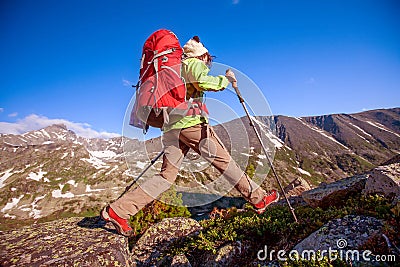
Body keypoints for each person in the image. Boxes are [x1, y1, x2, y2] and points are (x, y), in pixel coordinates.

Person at [101, 36, 279, 237]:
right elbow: (202, 81)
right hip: (192, 126)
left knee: (165, 177)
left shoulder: (174, 68)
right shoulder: (193, 63)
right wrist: (226, 80)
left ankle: (118, 210)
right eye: (207, 58)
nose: (208, 61)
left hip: (170, 128)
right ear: (202, 55)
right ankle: (259, 199)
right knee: (225, 163)